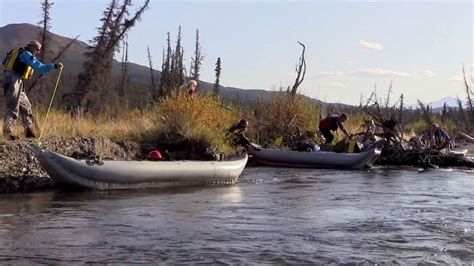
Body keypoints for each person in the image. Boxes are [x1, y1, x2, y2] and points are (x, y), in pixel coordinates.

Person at [2, 39, 63, 140]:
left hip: (17, 80)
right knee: (13, 107)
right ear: (31, 47)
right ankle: (7, 134)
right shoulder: (26, 54)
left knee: (26, 106)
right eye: (37, 49)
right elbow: (40, 68)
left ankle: (29, 132)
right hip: (13, 79)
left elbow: (4, 62)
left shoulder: (20, 53)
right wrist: (54, 66)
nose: (38, 52)